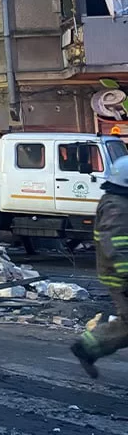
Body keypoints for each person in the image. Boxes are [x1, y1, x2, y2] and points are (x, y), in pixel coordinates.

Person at [72, 154, 128, 378]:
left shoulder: (119, 201)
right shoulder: (118, 207)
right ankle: (86, 347)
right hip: (121, 276)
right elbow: (116, 244)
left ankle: (87, 347)